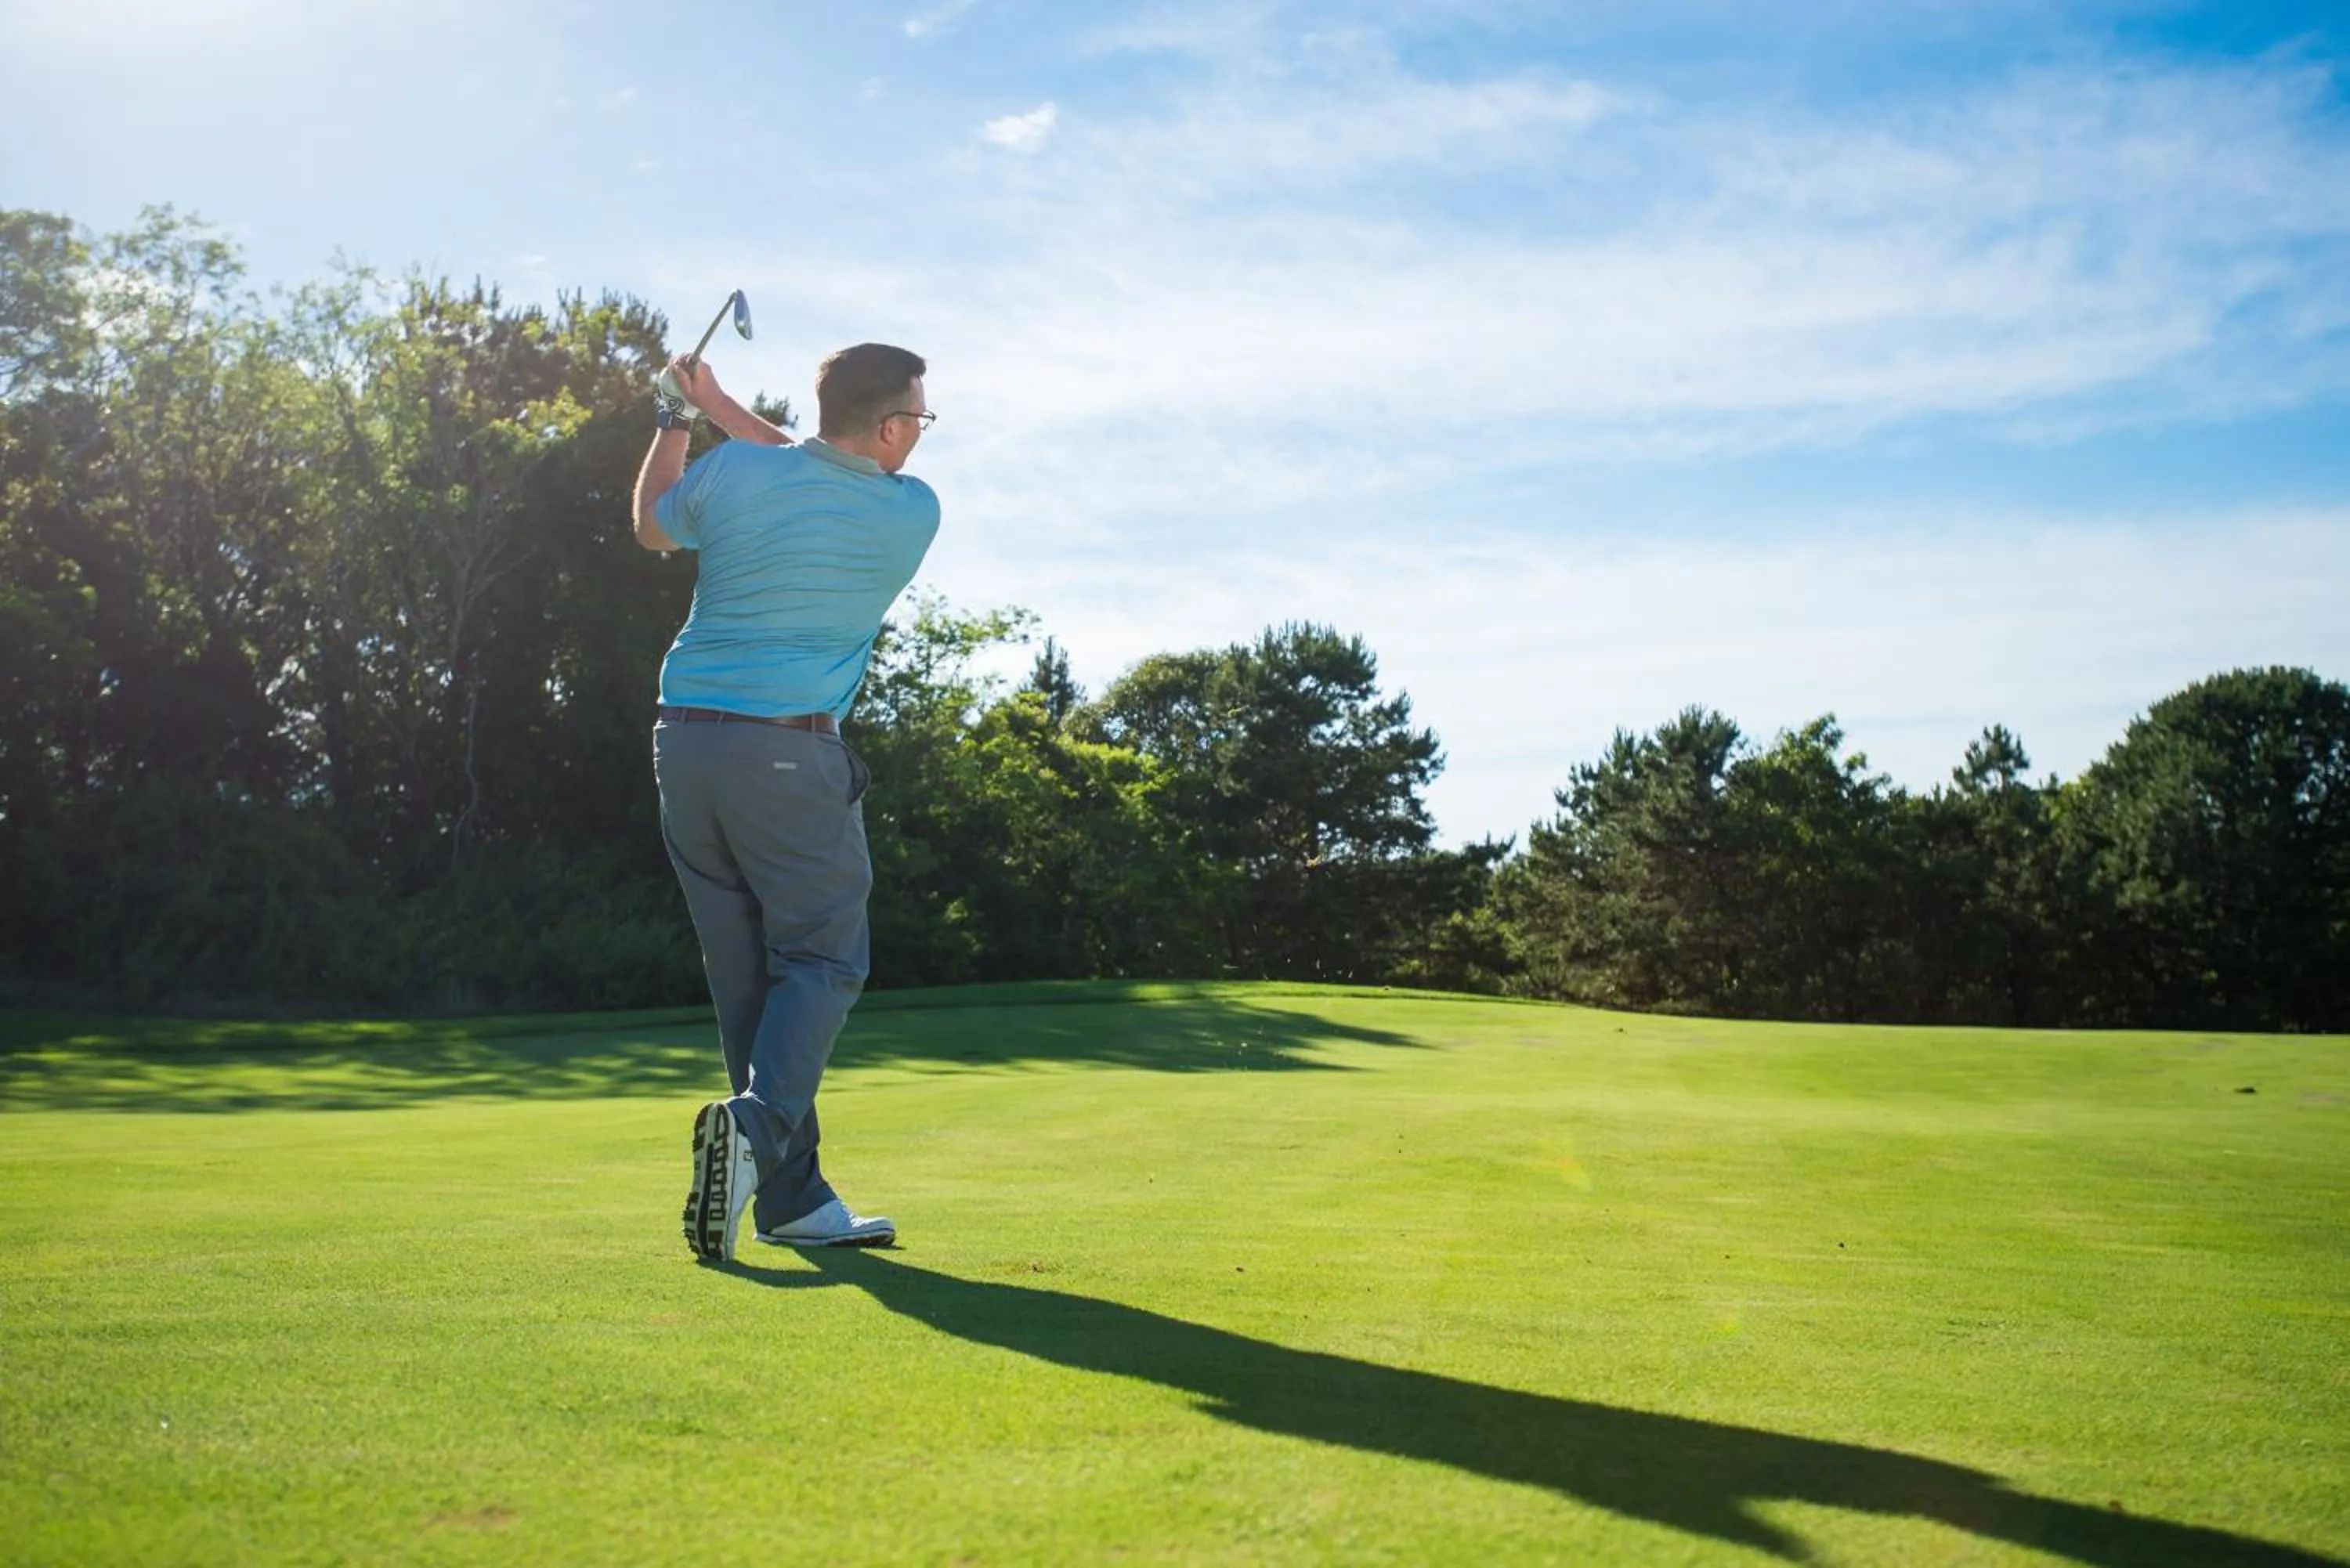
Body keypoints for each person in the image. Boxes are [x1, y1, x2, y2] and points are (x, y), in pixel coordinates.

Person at [631, 341, 940, 1263]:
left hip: (683, 747)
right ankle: (758, 1130)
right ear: (890, 429)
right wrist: (720, 408)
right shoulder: (911, 510)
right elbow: (807, 462)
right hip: (787, 756)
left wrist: (680, 414)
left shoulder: (733, 476)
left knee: (747, 982)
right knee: (826, 961)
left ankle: (793, 1201)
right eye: (920, 420)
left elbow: (652, 523)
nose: (921, 435)